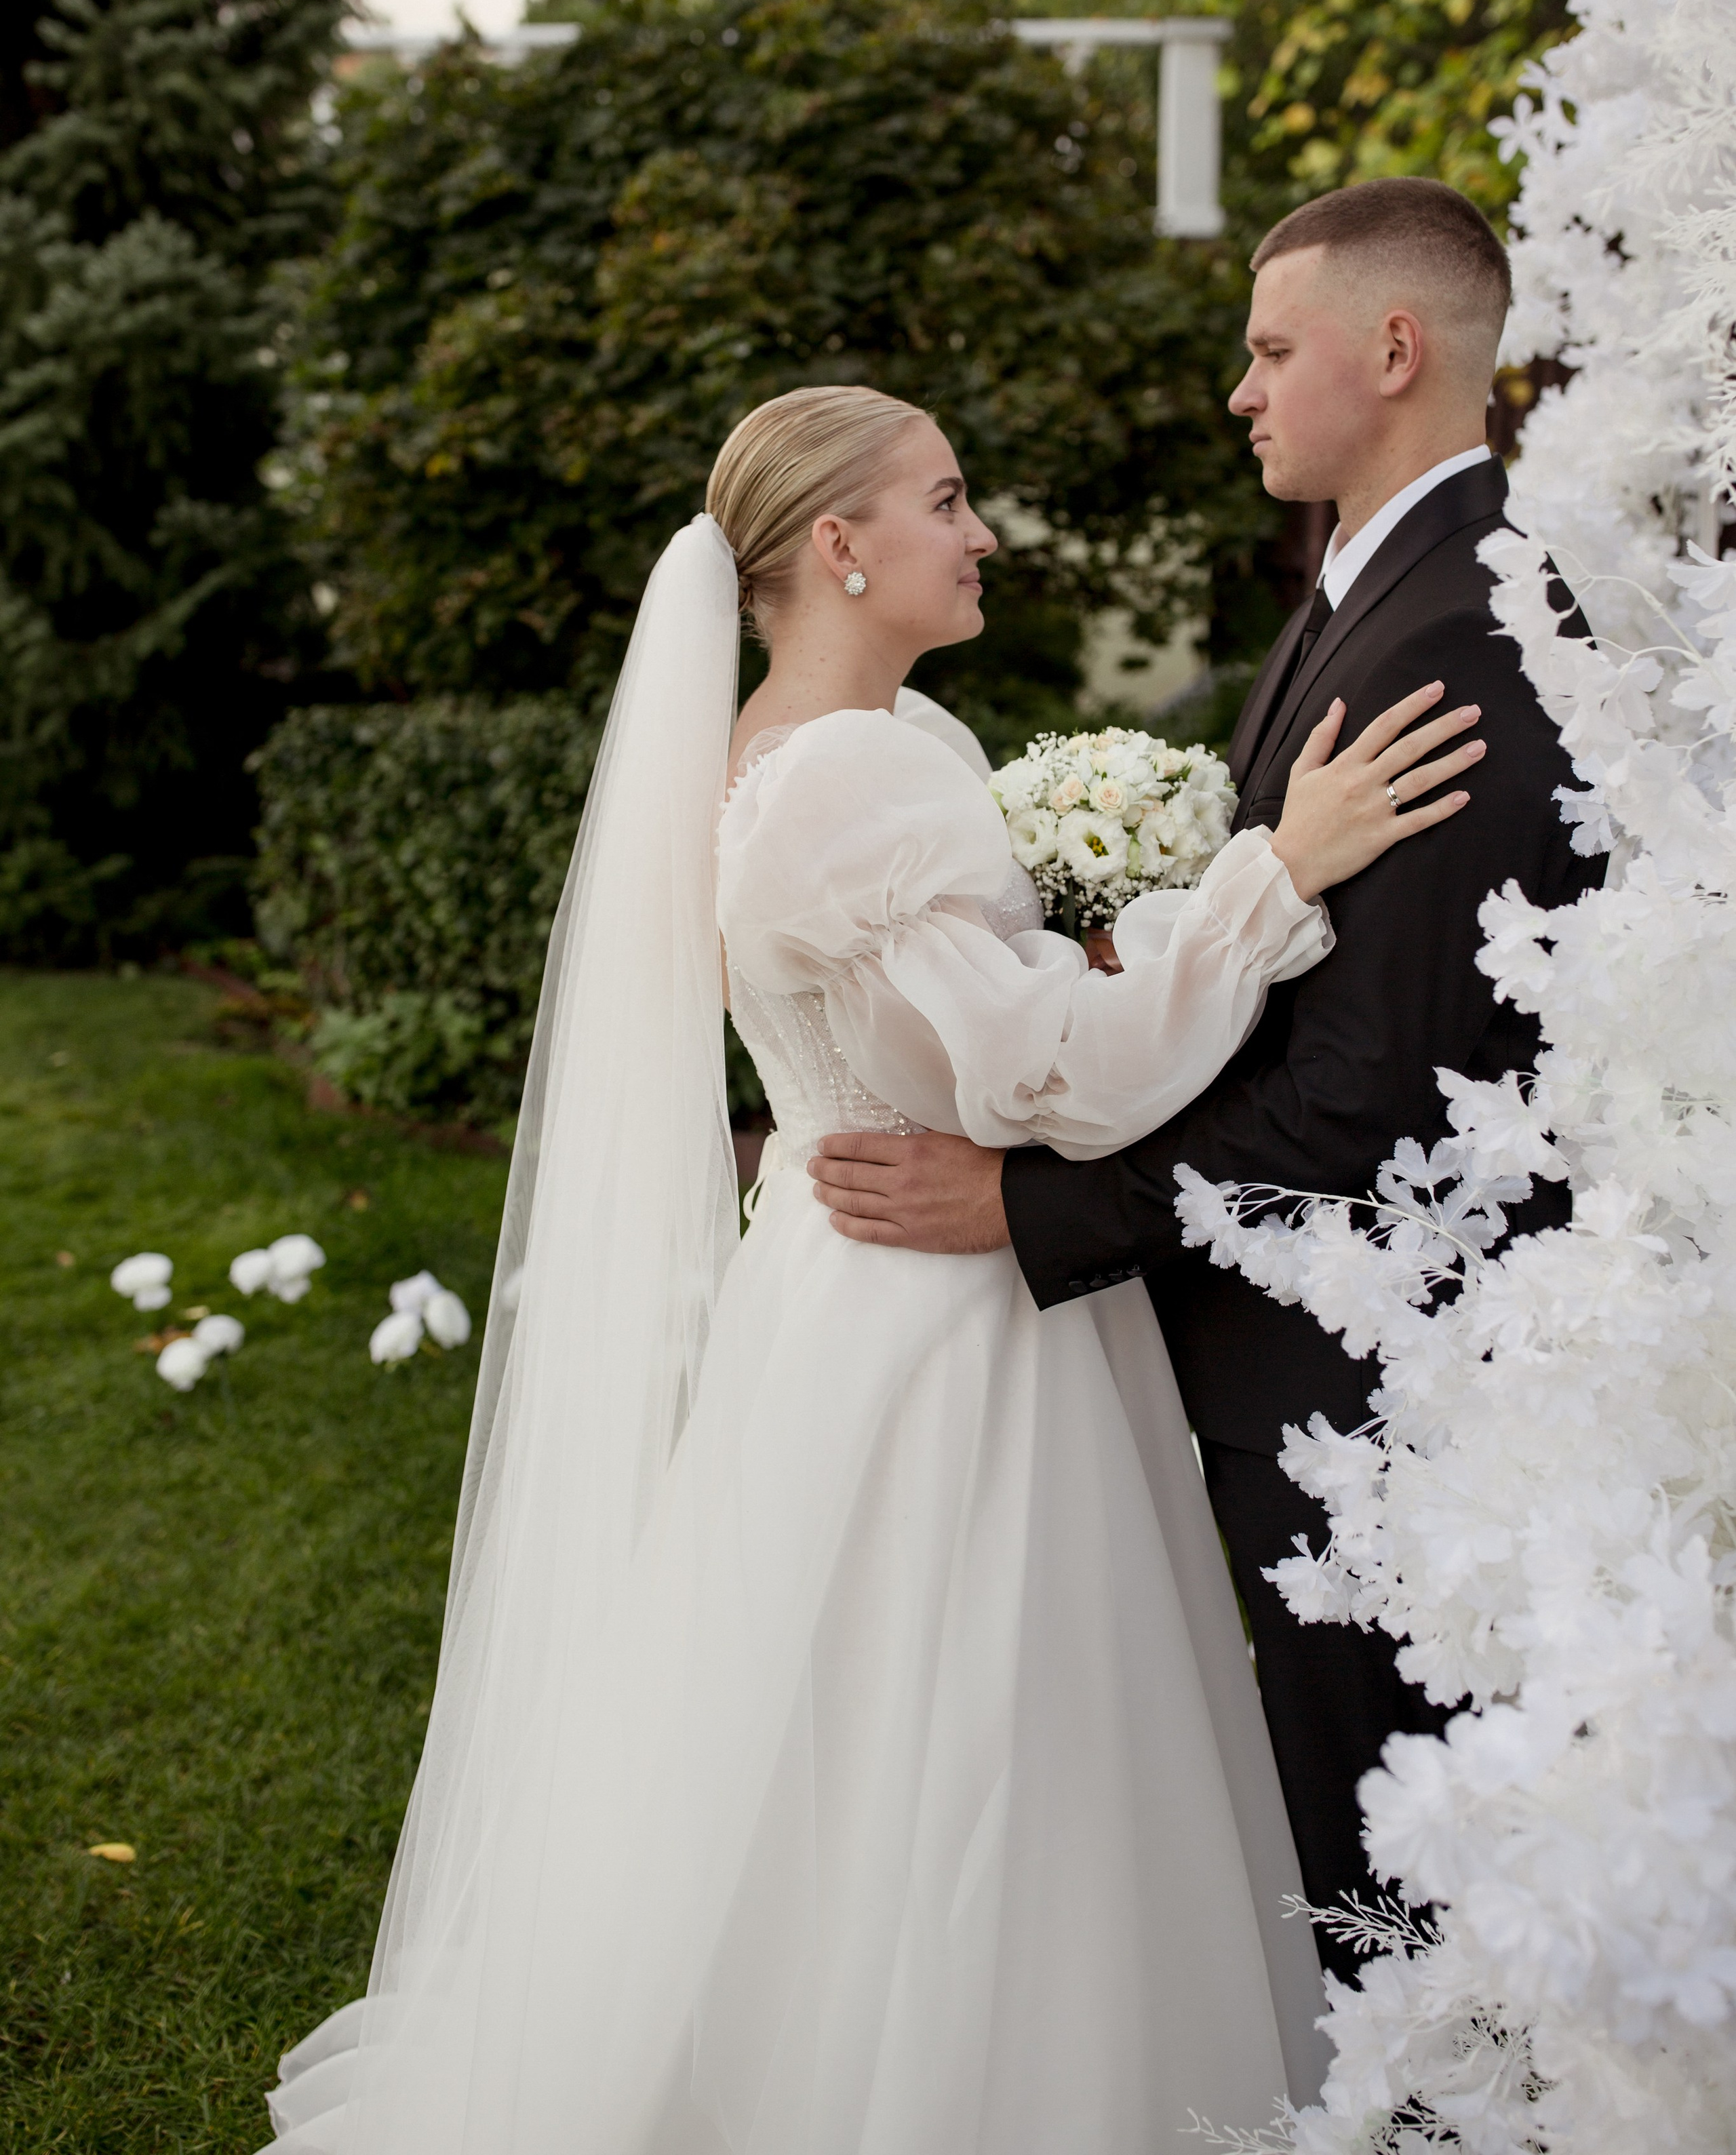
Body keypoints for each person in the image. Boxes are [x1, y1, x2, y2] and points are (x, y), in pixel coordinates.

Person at [262, 382, 1484, 2154]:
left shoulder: (826, 742)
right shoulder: (858, 776)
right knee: (983, 1730)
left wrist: (1099, 938)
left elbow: (946, 1027)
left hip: (841, 1293)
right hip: (948, 1315)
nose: (980, 534)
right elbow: (1046, 1081)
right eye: (948, 498)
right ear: (839, 544)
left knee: (845, 1724)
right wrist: (1272, 876)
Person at [807, 181, 1606, 1981]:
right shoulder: (1371, 590)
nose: (1241, 392)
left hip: (1370, 1391)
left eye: (1267, 349)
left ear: (1390, 349)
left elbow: (1374, 1096)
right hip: (1288, 1358)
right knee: (1333, 1836)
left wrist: (1034, 1206)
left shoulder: (1461, 638)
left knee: (1394, 1879)